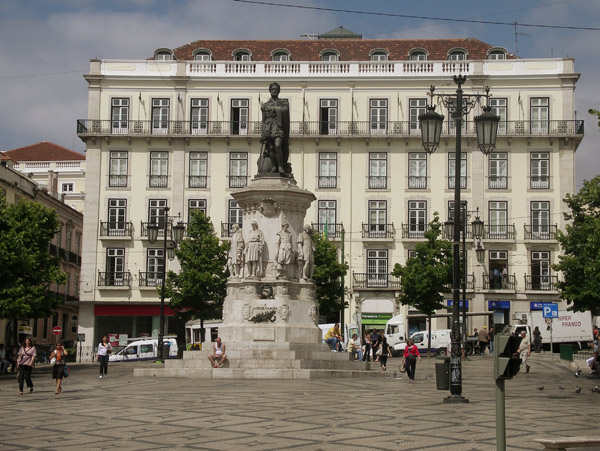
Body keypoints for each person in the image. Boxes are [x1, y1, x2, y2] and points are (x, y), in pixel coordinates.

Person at [259, 82, 290, 175]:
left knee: (277, 145)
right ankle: (274, 166)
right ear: (270, 91)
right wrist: (262, 133)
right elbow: (263, 119)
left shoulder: (283, 103)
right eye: (272, 89)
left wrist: (273, 108)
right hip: (268, 127)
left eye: (276, 89)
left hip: (278, 126)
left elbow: (284, 110)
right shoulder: (265, 105)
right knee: (270, 148)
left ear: (279, 91)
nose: (274, 91)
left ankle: (280, 166)